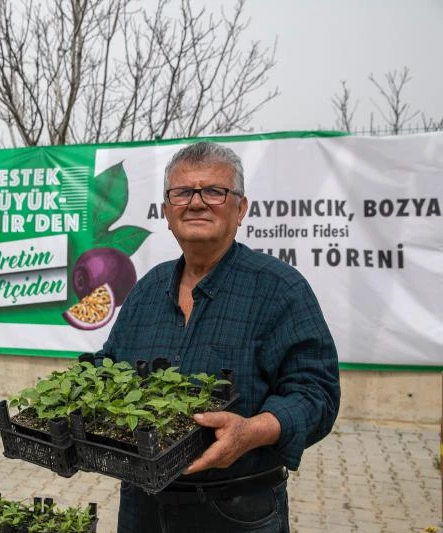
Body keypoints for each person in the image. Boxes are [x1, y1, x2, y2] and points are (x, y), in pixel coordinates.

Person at [97, 141, 341, 532]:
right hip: (141, 506)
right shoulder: (147, 289)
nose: (196, 202)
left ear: (240, 208)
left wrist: (251, 431)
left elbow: (317, 394)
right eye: (182, 192)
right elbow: (107, 367)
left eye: (213, 191)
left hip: (237, 509)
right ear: (166, 210)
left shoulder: (279, 290)